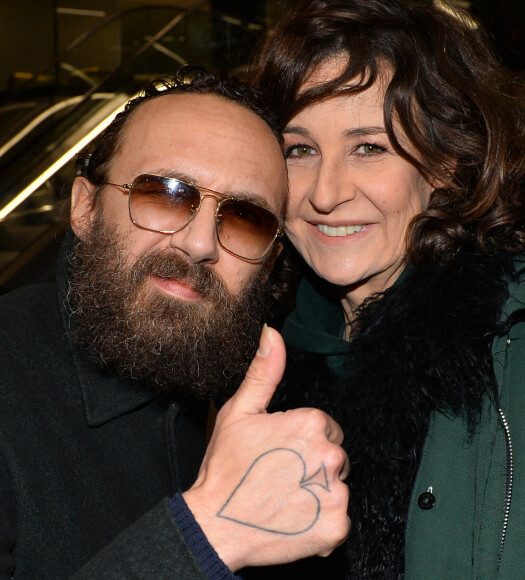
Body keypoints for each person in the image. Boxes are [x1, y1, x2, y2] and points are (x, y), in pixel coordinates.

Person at [249, 0, 525, 578]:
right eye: (299, 150)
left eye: (369, 148)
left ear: (448, 162)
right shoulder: (250, 364)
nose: (325, 193)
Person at [0, 66, 350, 579]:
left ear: (270, 263)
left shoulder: (216, 386)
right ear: (85, 208)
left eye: (245, 219)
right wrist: (211, 534)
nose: (200, 243)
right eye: (164, 193)